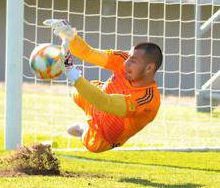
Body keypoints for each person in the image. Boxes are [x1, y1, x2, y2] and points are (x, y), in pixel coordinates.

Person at [44, 19, 163, 152]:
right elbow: (88, 53)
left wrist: (71, 72)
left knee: (93, 146)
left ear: (149, 68)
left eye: (133, 61)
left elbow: (106, 103)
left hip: (104, 134)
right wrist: (71, 37)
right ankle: (88, 110)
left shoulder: (148, 101)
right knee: (75, 92)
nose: (126, 63)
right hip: (97, 100)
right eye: (129, 57)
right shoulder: (124, 59)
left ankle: (84, 128)